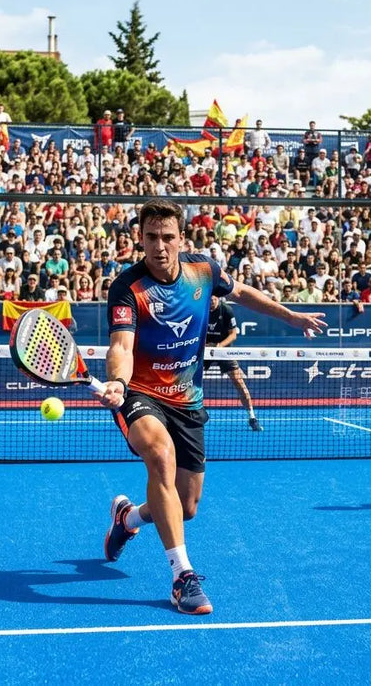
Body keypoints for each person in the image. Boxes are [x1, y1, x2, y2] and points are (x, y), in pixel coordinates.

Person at [99, 199, 326, 615]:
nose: (160, 246)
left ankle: (128, 519)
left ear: (181, 238)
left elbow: (242, 293)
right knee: (160, 456)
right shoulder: (127, 288)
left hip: (187, 399)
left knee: (185, 507)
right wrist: (116, 380)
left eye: (168, 237)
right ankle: (181, 576)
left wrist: (290, 316)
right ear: (141, 238)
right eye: (151, 237)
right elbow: (121, 346)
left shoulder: (204, 270)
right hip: (140, 392)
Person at [204, 293, 263, 431]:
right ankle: (194, 412)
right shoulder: (202, 308)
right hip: (205, 349)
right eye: (210, 299)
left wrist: (219, 347)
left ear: (217, 298)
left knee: (239, 382)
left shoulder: (226, 310)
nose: (212, 302)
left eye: (214, 299)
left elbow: (233, 335)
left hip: (223, 349)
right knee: (192, 381)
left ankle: (252, 417)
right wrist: (204, 346)